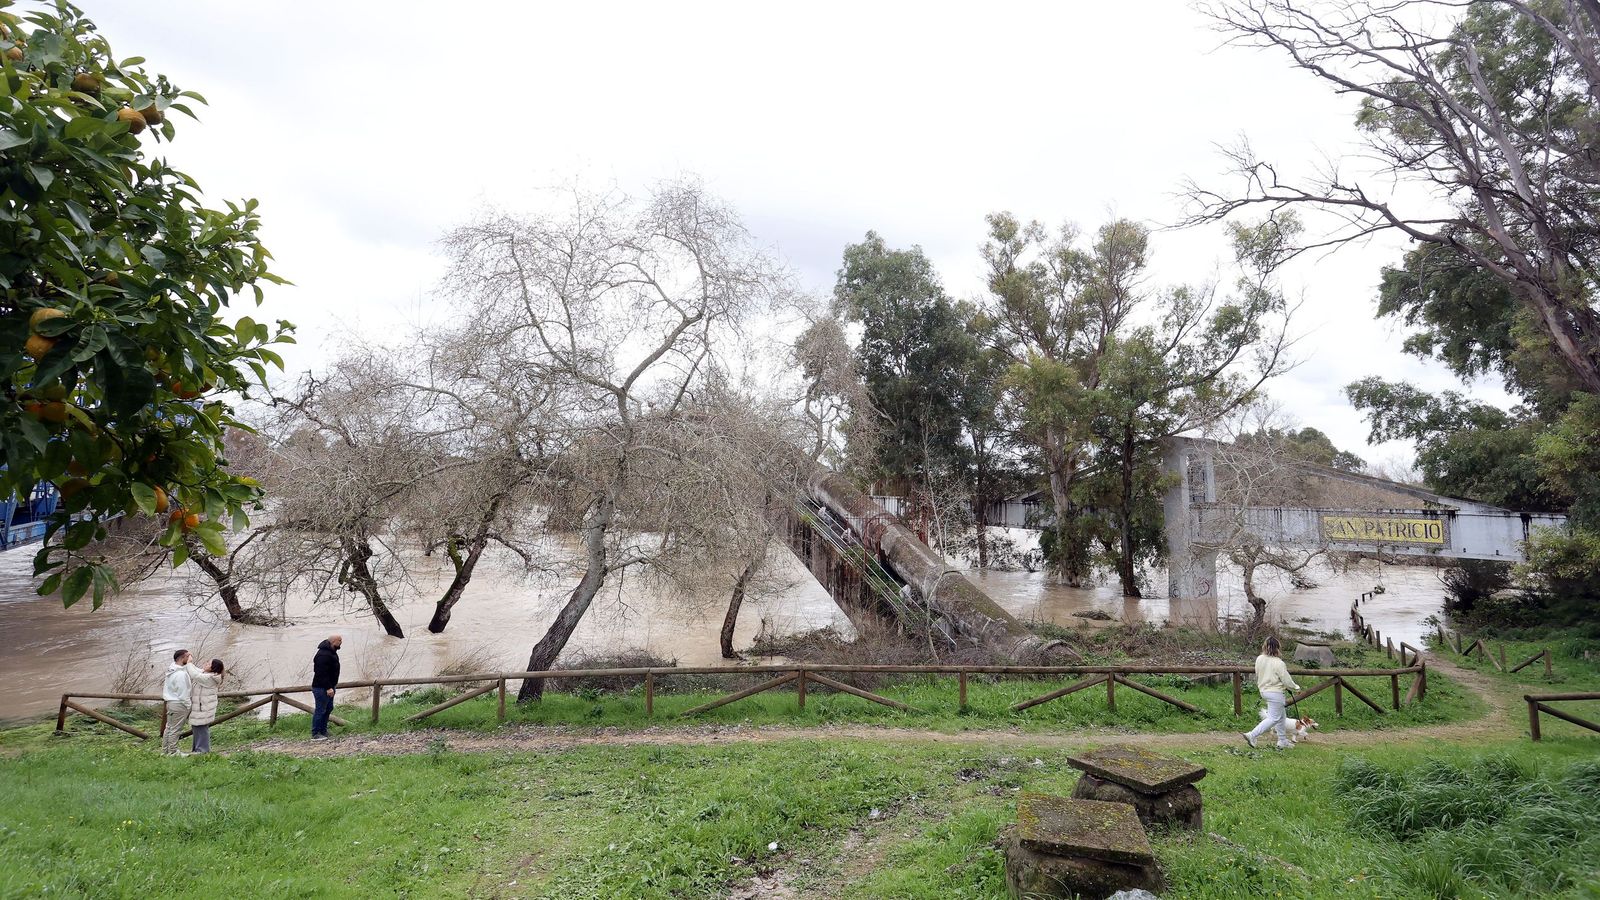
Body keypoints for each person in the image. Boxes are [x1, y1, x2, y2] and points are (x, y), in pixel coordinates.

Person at [1243, 635, 1301, 750]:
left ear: (1265, 646)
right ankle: (1252, 735)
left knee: (1281, 717)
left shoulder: (1259, 659)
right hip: (1275, 693)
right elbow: (1286, 679)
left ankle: (1282, 741)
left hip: (1264, 691)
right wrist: (1296, 688)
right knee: (1274, 718)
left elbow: (1259, 674)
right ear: (1277, 648)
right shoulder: (1278, 663)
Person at [161, 649, 203, 755]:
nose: (190, 658)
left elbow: (193, 669)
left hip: (171, 702)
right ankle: (173, 751)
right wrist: (188, 705)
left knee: (169, 728)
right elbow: (183, 693)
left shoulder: (173, 669)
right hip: (179, 704)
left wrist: (190, 663)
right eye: (188, 656)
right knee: (175, 729)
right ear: (182, 658)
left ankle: (165, 751)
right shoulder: (180, 674)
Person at [189, 659, 225, 754]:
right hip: (200, 707)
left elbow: (195, 675)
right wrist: (189, 662)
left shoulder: (210, 678)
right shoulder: (206, 674)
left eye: (209, 664)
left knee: (201, 727)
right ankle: (197, 749)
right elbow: (196, 670)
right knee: (196, 727)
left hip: (204, 708)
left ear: (213, 668)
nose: (206, 664)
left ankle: (203, 751)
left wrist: (188, 663)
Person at [310, 635, 342, 740]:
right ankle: (315, 733)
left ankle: (323, 730)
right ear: (333, 641)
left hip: (330, 686)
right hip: (321, 687)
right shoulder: (323, 655)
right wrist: (328, 687)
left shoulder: (332, 652)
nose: (341, 642)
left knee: (328, 708)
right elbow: (321, 673)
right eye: (339, 640)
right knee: (320, 710)